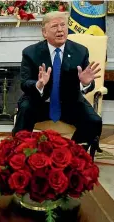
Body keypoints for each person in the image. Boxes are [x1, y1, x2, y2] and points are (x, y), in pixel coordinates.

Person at [12, 11, 103, 157]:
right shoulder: (30, 52)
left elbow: (89, 83)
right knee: (25, 111)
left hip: (70, 102)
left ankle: (72, 157)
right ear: (44, 32)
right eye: (54, 26)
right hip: (39, 102)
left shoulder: (80, 51)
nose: (60, 30)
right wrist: (39, 84)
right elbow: (25, 83)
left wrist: (84, 84)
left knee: (94, 121)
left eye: (63, 25)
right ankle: (21, 156)